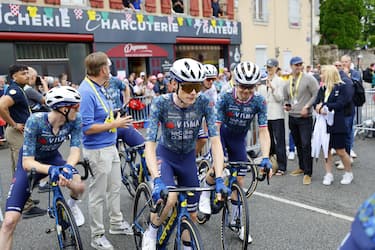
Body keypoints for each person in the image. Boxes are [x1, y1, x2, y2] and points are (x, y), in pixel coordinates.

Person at [142, 58, 228, 250]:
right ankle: (152, 230)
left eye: (197, 86)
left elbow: (215, 141)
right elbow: (149, 144)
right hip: (166, 156)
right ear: (174, 84)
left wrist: (220, 176)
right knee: (170, 198)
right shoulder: (161, 103)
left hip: (187, 159)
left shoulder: (204, 102)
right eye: (189, 87)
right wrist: (156, 178)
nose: (194, 92)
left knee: (192, 215)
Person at [0, 86, 85, 250]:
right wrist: (51, 170)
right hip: (31, 163)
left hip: (53, 158)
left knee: (78, 185)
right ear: (64, 108)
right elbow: (27, 162)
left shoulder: (75, 120)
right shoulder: (36, 121)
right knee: (9, 222)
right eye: (76, 106)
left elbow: (75, 150)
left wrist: (67, 167)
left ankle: (72, 207)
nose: (79, 109)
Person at [201, 61, 273, 243]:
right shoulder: (225, 98)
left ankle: (237, 222)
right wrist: (220, 158)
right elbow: (214, 129)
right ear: (235, 83)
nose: (247, 92)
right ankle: (206, 188)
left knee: (240, 180)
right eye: (243, 88)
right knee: (218, 167)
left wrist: (265, 156)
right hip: (221, 136)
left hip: (238, 139)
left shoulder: (259, 101)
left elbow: (264, 131)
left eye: (251, 88)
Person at [78, 52, 134, 250]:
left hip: (109, 146)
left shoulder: (99, 87)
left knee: (115, 188)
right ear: (102, 69)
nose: (110, 70)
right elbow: (86, 127)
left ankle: (116, 223)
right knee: (98, 194)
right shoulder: (86, 91)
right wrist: (116, 123)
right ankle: (97, 235)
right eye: (108, 67)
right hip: (97, 150)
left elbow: (102, 116)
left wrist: (116, 117)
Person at [0, 64, 46, 218]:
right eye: (23, 73)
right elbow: (1, 105)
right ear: (14, 76)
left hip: (21, 132)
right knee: (22, 167)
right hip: (17, 132)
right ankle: (25, 206)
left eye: (28, 73)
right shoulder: (15, 90)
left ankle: (26, 200)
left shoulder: (19, 89)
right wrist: (13, 124)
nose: (27, 76)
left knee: (24, 166)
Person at [313, 65, 353, 185]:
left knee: (341, 151)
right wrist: (319, 108)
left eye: (322, 73)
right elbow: (316, 102)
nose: (320, 76)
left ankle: (348, 173)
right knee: (326, 150)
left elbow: (341, 104)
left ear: (329, 74)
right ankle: (328, 174)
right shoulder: (322, 88)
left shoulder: (342, 87)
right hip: (323, 124)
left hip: (337, 124)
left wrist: (325, 105)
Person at [283, 56, 319, 185]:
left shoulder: (309, 78)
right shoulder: (289, 80)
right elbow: (286, 96)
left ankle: (308, 173)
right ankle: (302, 167)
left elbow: (316, 93)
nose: (298, 67)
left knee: (305, 144)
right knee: (298, 143)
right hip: (292, 116)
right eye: (296, 65)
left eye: (300, 65)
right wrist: (286, 104)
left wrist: (307, 106)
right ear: (291, 66)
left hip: (305, 117)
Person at [261, 58, 287, 175]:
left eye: (271, 67)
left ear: (276, 68)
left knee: (279, 141)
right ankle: (271, 164)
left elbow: (280, 98)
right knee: (269, 141)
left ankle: (282, 166)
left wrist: (272, 88)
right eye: (267, 67)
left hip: (277, 115)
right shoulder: (263, 80)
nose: (269, 70)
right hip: (267, 115)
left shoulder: (280, 81)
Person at [196, 64, 218, 155]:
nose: (211, 82)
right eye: (208, 79)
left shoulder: (212, 89)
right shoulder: (195, 89)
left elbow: (213, 106)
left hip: (203, 117)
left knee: (204, 139)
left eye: (213, 79)